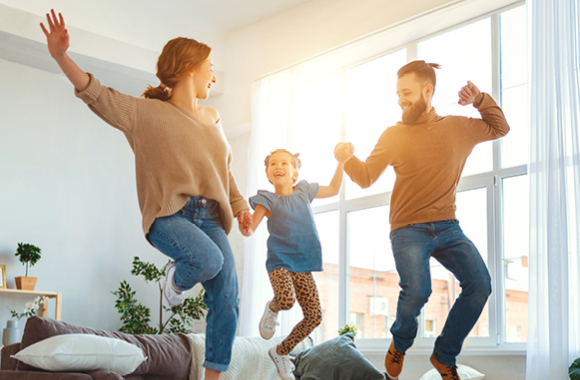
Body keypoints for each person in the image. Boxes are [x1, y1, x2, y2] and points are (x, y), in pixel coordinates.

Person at [40, 10, 252, 380]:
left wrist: (240, 207)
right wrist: (61, 56)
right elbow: (97, 94)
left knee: (228, 297)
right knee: (208, 260)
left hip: (211, 216)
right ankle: (174, 281)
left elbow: (224, 172)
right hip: (170, 216)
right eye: (210, 67)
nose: (214, 76)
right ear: (189, 67)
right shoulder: (146, 114)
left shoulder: (214, 117)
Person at [334, 61, 510, 380]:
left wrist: (480, 99)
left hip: (448, 227)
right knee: (417, 291)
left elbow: (500, 128)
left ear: (428, 91)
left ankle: (444, 355)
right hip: (408, 229)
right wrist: (346, 159)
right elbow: (365, 177)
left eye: (407, 92)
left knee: (480, 285)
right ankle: (400, 343)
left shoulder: (458, 127)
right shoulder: (394, 134)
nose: (400, 99)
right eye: (398, 93)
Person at [241, 149, 346, 380]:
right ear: (268, 174)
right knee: (286, 300)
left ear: (294, 172)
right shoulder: (268, 199)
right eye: (273, 164)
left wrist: (341, 163)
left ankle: (280, 352)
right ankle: (273, 307)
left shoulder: (304, 191)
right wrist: (245, 224)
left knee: (314, 316)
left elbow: (334, 189)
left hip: (303, 263)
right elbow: (249, 230)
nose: (279, 166)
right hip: (280, 260)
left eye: (285, 163)